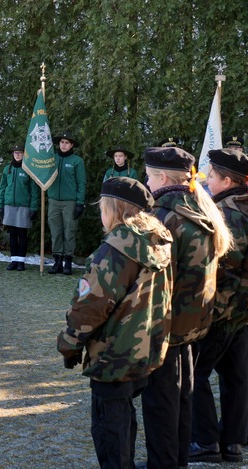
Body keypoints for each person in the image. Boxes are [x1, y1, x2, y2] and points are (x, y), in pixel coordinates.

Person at [58, 177, 173, 469]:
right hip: (143, 347)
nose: (100, 214)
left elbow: (91, 306)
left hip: (113, 353)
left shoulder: (117, 249)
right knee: (123, 417)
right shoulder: (155, 240)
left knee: (110, 428)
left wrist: (69, 343)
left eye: (102, 208)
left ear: (114, 209)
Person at [139, 146, 233, 469]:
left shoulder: (163, 216)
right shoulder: (200, 208)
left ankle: (163, 463)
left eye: (149, 177)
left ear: (163, 178)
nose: (147, 183)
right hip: (192, 324)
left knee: (161, 403)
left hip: (165, 326)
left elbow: (153, 278)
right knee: (181, 399)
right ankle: (176, 460)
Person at [189, 149, 248, 464]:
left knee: (195, 374)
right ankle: (233, 443)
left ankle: (206, 441)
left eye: (211, 176)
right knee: (236, 376)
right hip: (246, 308)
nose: (207, 181)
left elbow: (224, 265)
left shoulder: (229, 212)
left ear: (227, 181)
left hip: (224, 309)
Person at [46, 131, 86, 275]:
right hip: (53, 201)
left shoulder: (77, 161)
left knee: (69, 232)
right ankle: (57, 262)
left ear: (71, 145)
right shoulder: (51, 159)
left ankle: (68, 262)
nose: (64, 145)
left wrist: (80, 202)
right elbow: (43, 174)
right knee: (56, 232)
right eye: (62, 142)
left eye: (67, 143)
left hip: (70, 202)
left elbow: (81, 183)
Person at [0, 144, 39, 271]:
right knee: (12, 234)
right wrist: (0, 205)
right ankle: (13, 260)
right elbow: (2, 187)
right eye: (15, 152)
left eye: (20, 152)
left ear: (24, 154)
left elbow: (34, 190)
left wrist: (33, 207)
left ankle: (21, 261)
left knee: (22, 233)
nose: (17, 155)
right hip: (9, 205)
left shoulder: (28, 169)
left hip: (23, 206)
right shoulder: (7, 169)